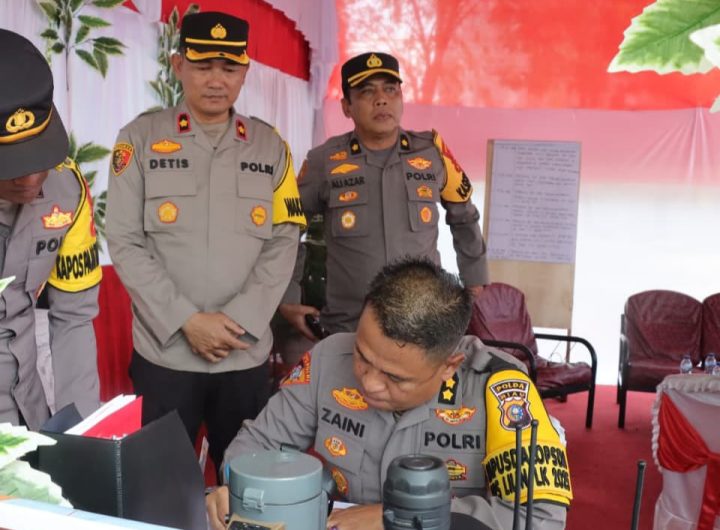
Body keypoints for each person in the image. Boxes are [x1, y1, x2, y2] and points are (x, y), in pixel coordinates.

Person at [207, 258, 571, 530]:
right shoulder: (329, 357)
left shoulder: (502, 389)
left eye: (395, 378)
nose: (370, 383)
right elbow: (255, 446)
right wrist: (234, 489)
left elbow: (540, 518)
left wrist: (403, 520)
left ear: (449, 365)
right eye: (363, 357)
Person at [106, 11, 306, 471]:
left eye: (229, 68)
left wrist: (238, 321)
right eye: (202, 66)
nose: (217, 80)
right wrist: (186, 321)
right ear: (178, 66)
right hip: (165, 354)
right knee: (159, 481)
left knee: (248, 483)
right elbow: (125, 239)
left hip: (243, 354)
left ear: (245, 71)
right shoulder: (139, 139)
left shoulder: (270, 147)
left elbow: (284, 239)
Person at [278, 51, 489, 343]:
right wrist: (288, 295)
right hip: (349, 328)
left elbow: (464, 217)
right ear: (346, 106)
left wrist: (475, 281)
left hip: (423, 325)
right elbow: (286, 227)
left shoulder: (432, 153)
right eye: (367, 92)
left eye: (390, 90)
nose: (381, 100)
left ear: (401, 98)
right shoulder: (323, 161)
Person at [0, 29, 102, 428]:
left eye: (37, 155)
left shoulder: (67, 190)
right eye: (9, 162)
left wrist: (84, 431)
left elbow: (74, 318)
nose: (29, 179)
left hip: (28, 410)